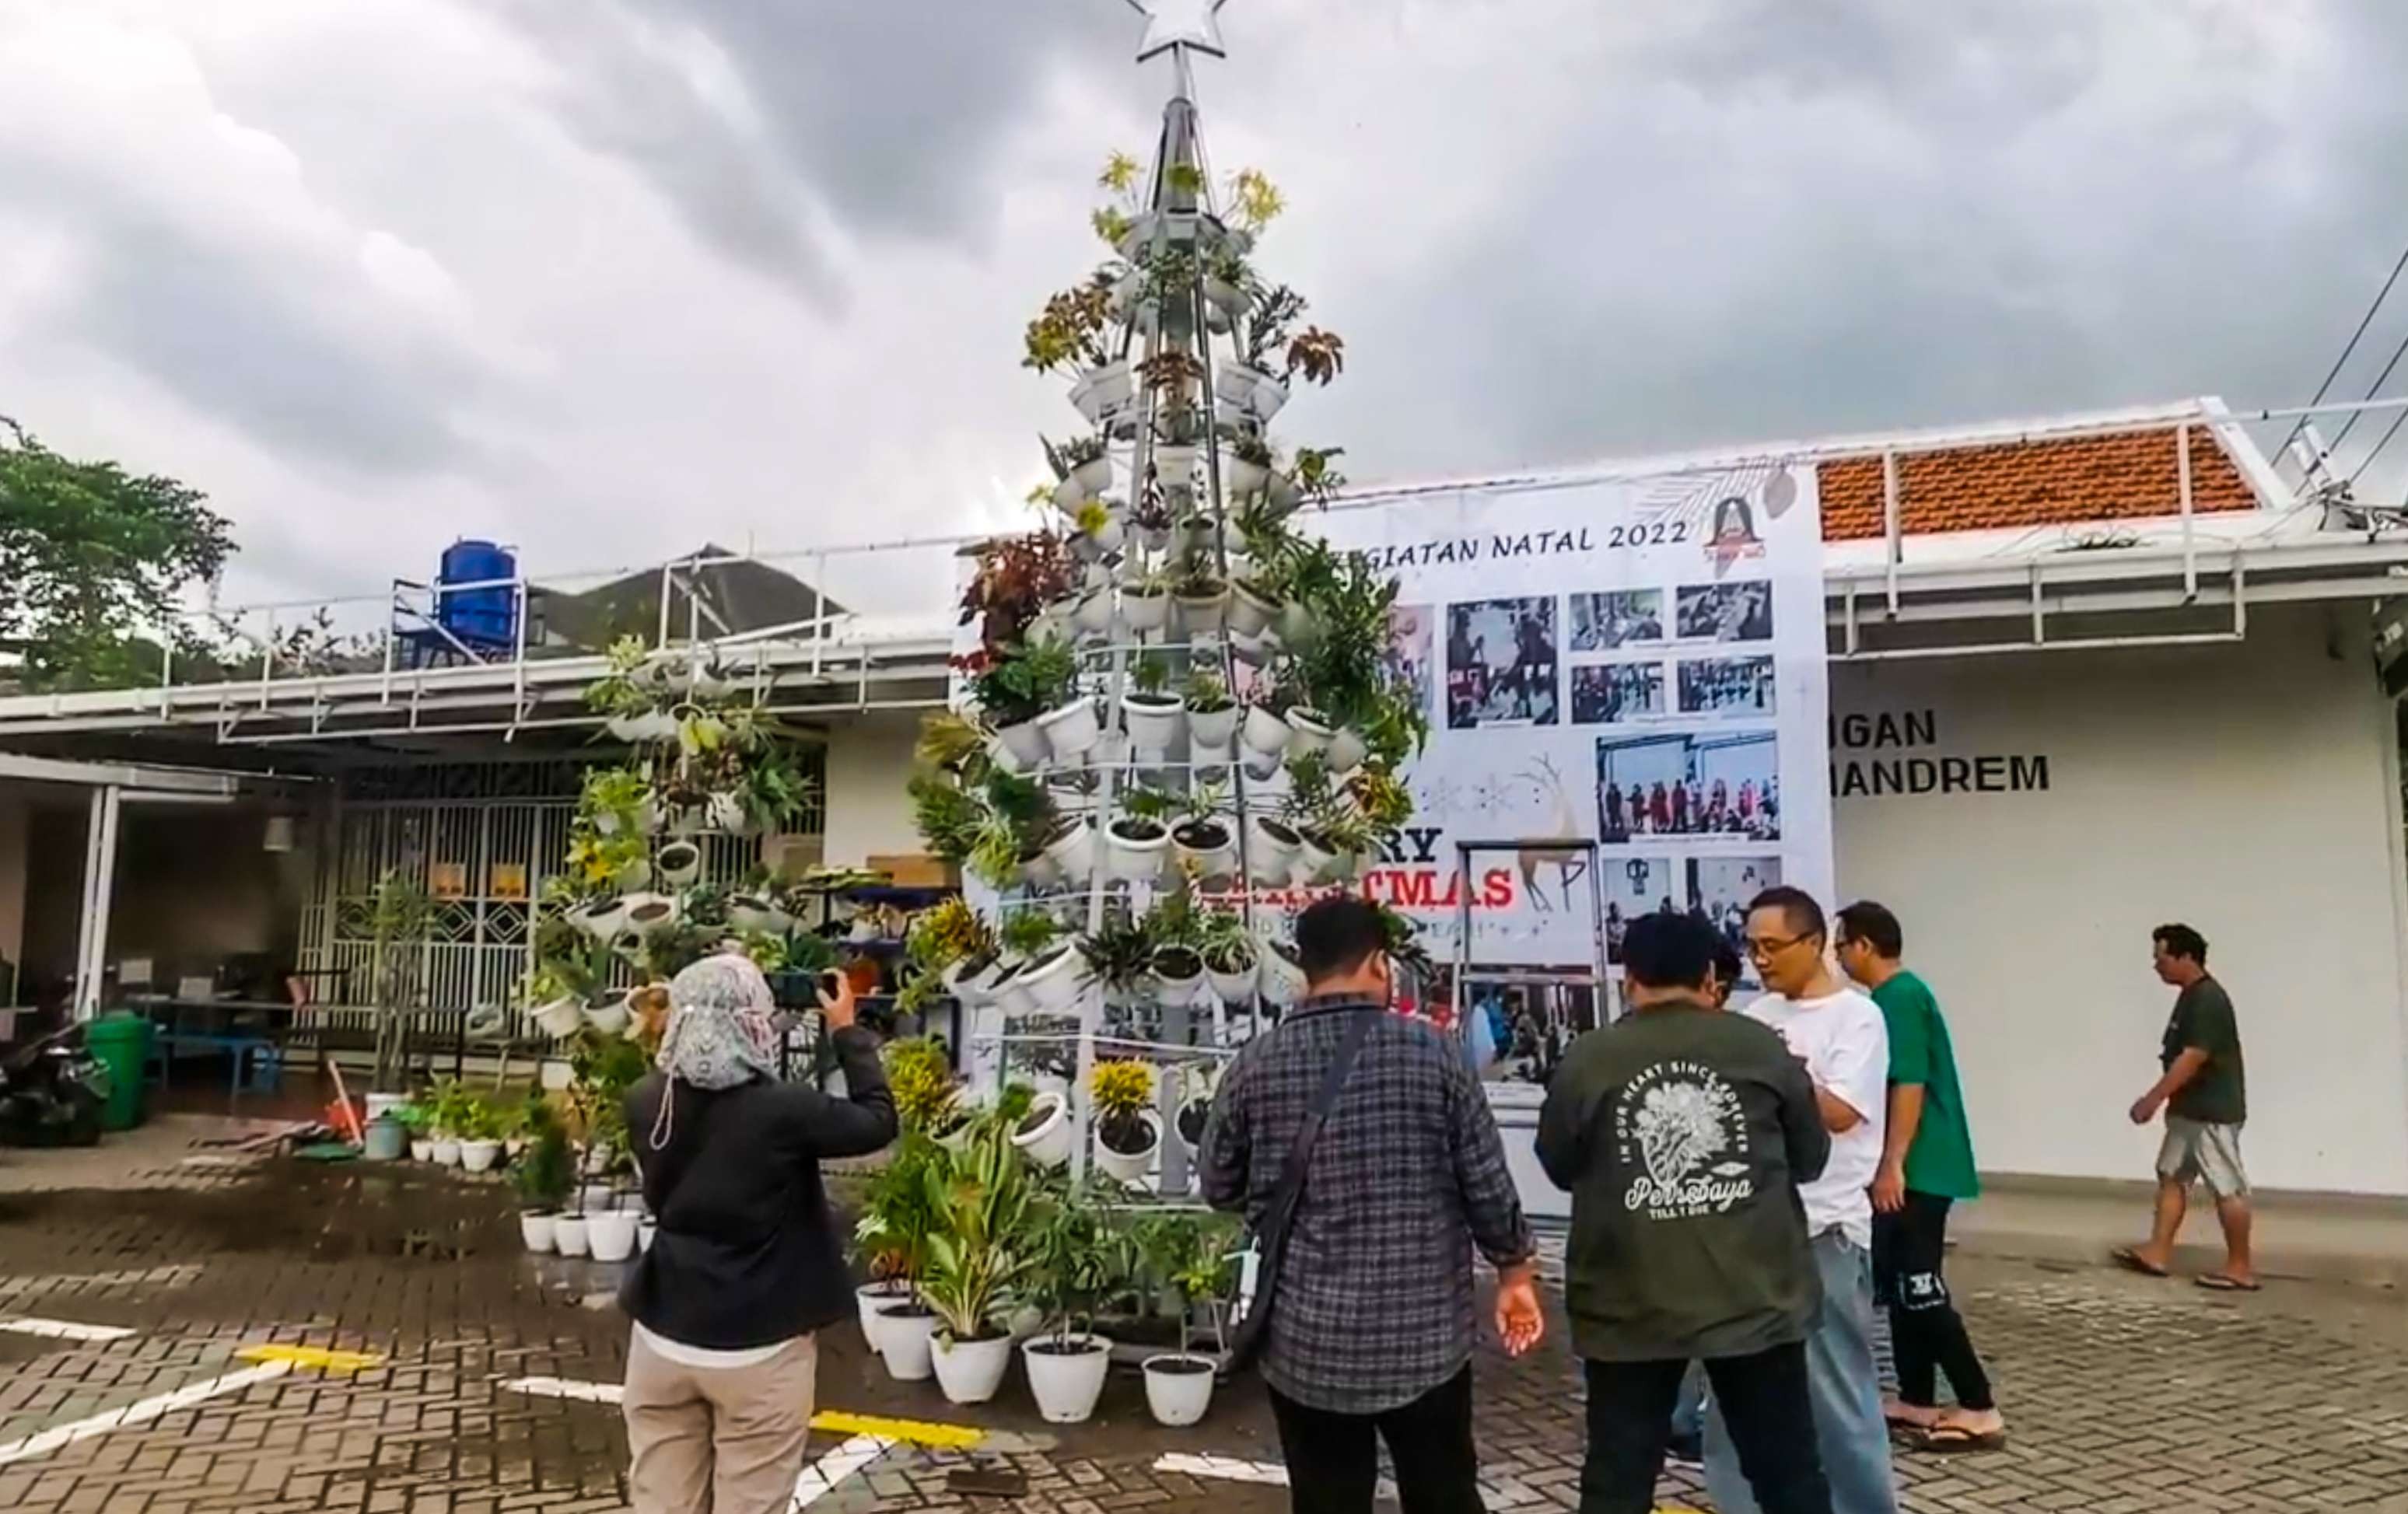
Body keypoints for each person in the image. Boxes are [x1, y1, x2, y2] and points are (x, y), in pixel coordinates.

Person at [1202, 897, 1543, 1514]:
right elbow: (1486, 1182)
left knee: (1327, 1499)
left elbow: (1219, 1185)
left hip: (1307, 1342)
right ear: (1380, 963)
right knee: (1443, 1494)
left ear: (1304, 969)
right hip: (1426, 1339)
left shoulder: (1254, 1064)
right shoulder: (1435, 1054)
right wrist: (1514, 1272)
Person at [1538, 911, 1833, 1514]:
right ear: (1709, 976)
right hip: (1754, 1297)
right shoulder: (1759, 1047)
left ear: (1629, 977)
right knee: (1788, 1473)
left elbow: (1558, 1164)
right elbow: (1811, 1157)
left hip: (1628, 1302)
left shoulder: (1589, 1058)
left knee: (1618, 1479)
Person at [618, 956, 898, 1514]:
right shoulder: (783, 1109)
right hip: (759, 1344)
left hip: (662, 1336)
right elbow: (877, 1120)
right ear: (749, 1020)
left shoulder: (647, 1098)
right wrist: (845, 1028)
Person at [1706, 888, 1897, 1514]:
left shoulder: (1858, 1016)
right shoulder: (1757, 1016)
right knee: (1735, 1390)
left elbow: (1842, 1112)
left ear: (1814, 943)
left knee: (1836, 1392)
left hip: (1826, 1230)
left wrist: (1781, 1070)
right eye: (1752, 947)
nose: (1760, 959)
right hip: (1750, 1229)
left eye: (1773, 946)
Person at [1836, 903, 2001, 1452]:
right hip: (1918, 1163)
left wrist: (1892, 1162)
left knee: (1921, 1286)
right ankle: (1917, 1397)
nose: (1838, 956)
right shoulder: (1894, 997)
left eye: (1841, 945)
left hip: (1919, 1166)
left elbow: (1908, 1080)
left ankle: (1978, 1404)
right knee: (1905, 1289)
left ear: (1863, 944)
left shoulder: (1898, 999)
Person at [2113, 924, 2255, 1290]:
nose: (2156, 965)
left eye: (2162, 957)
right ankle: (2157, 1251)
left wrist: (2153, 1098)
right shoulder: (2190, 996)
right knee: (2172, 1176)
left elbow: (2192, 1057)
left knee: (2227, 1186)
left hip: (2210, 1112)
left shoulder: (2208, 999)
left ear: (2186, 956)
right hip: (2188, 1110)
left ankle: (2240, 1267)